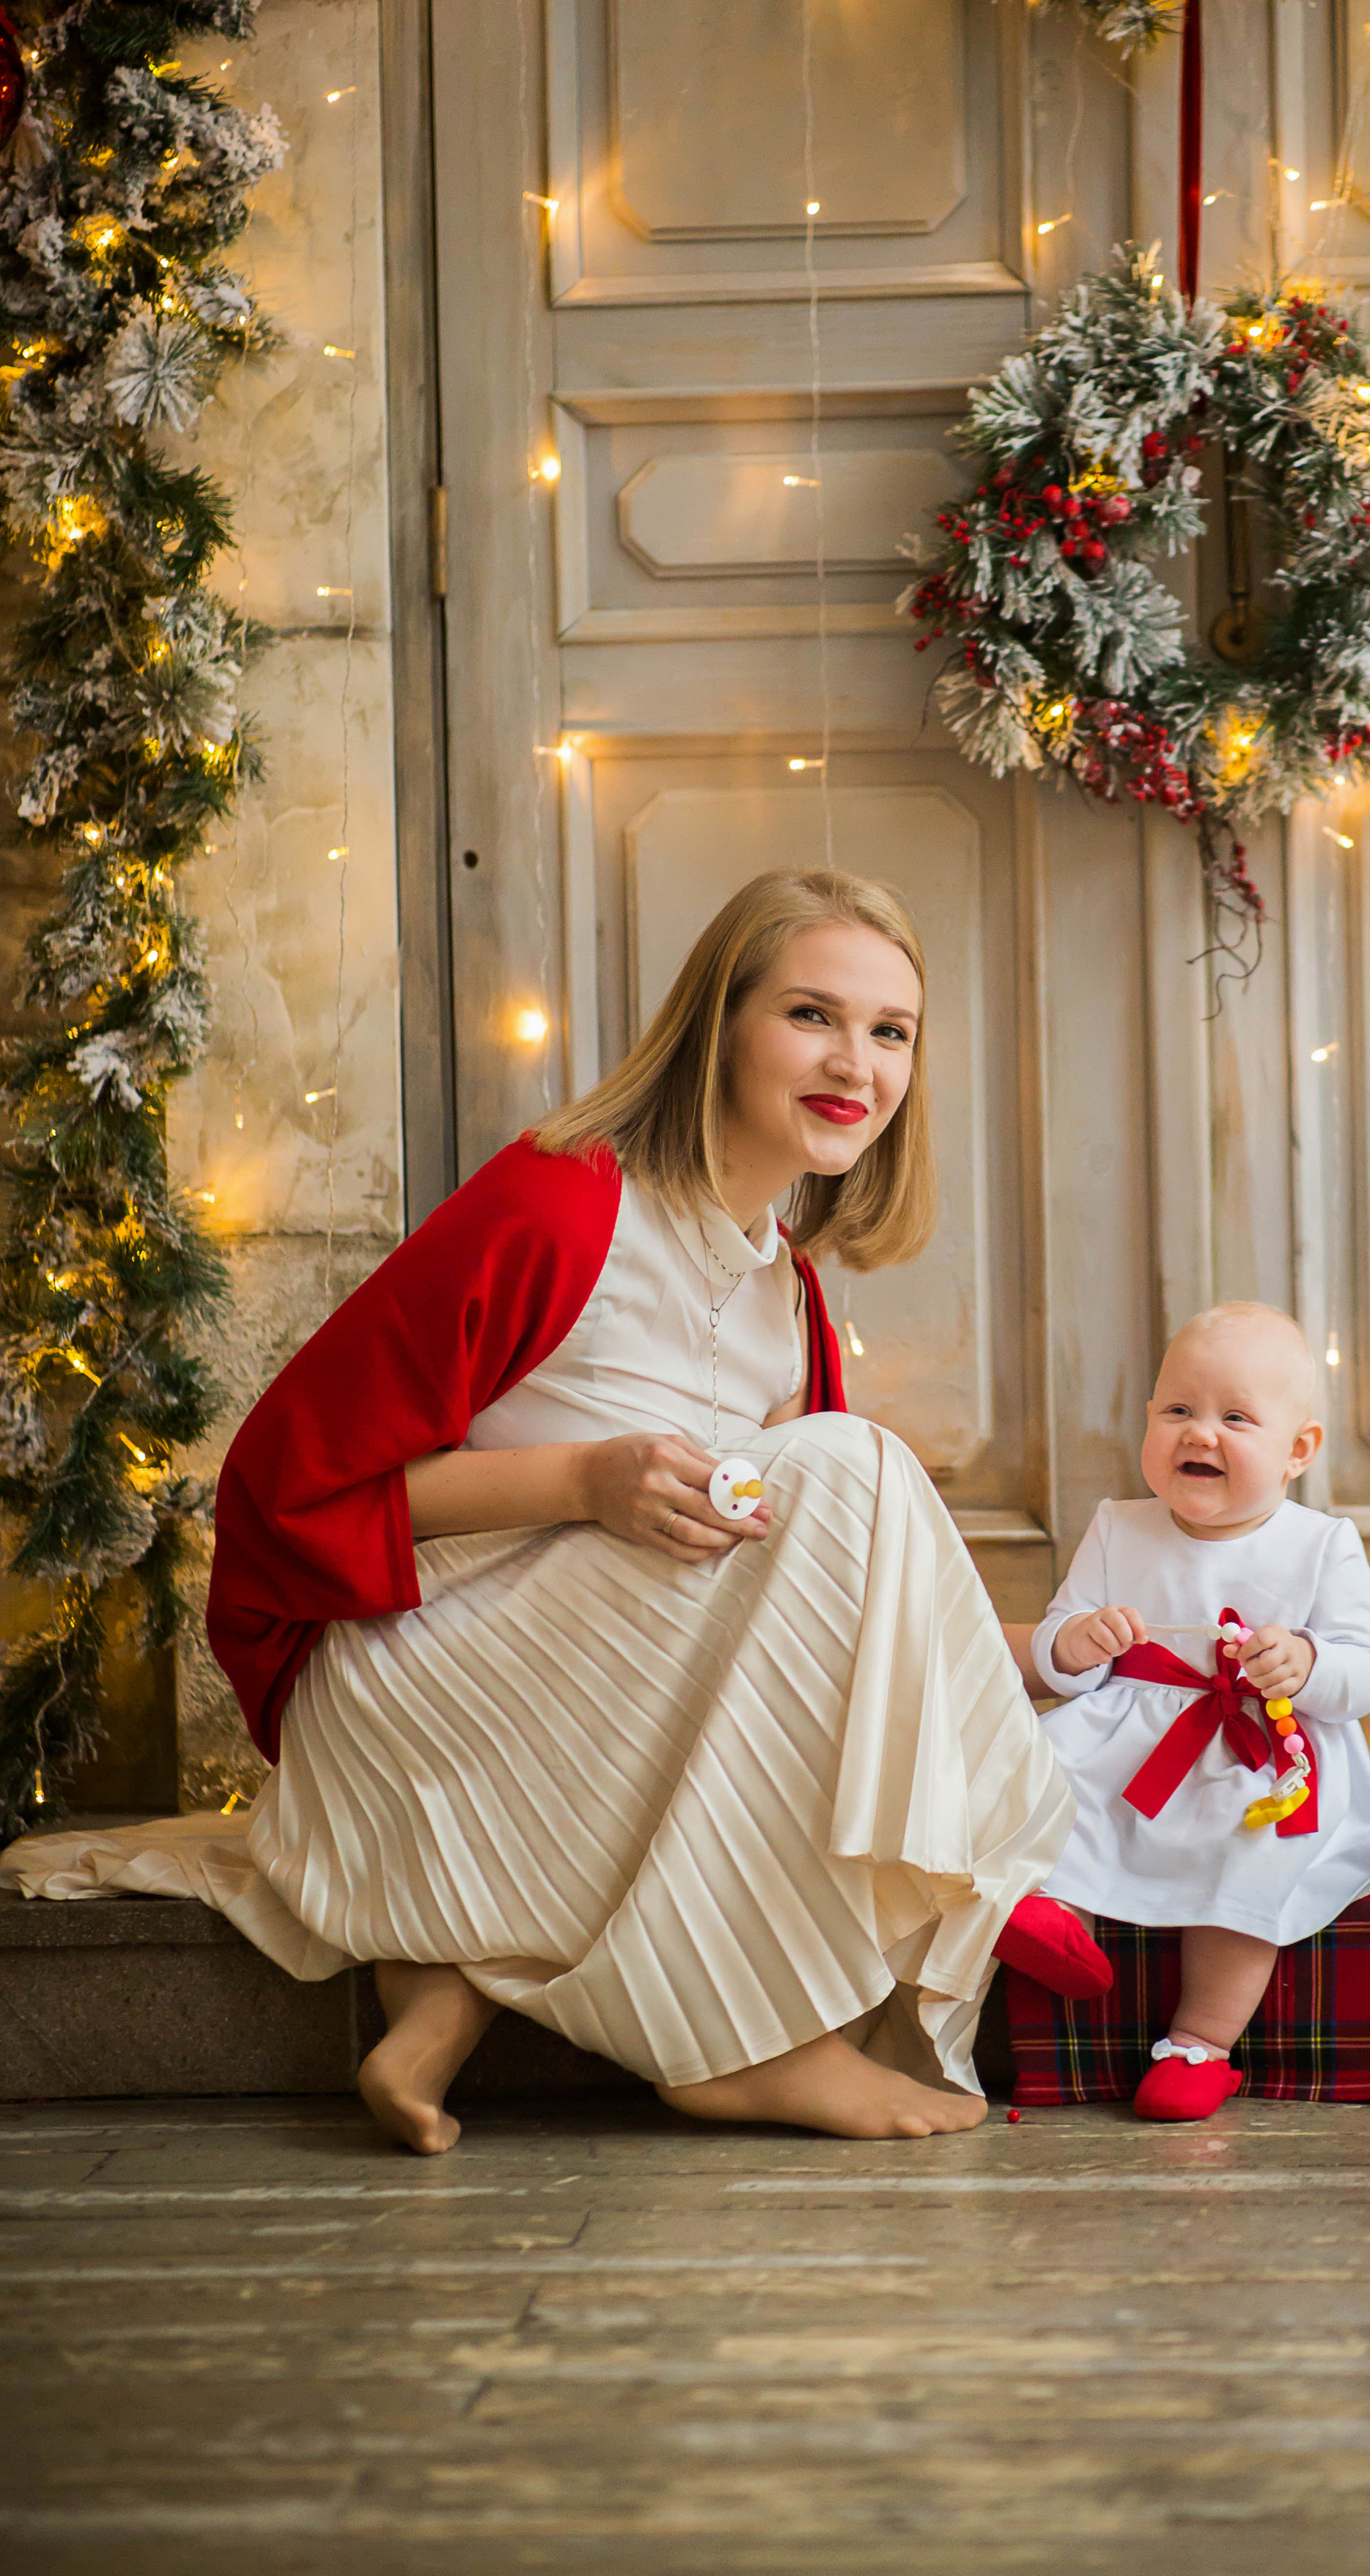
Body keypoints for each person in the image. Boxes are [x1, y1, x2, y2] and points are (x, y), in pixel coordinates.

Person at [7, 868, 1095, 2152]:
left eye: (891, 1031)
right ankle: (763, 2031)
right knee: (849, 1467)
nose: (855, 1061)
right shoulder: (562, 1201)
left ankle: (452, 1985)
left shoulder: (786, 1297)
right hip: (402, 1689)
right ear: (718, 1028)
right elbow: (282, 1493)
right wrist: (581, 1483)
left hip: (583, 1705)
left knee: (823, 1494)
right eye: (812, 1014)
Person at [1014, 1302, 1370, 2122]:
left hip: (1257, 1750)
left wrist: (1305, 1663)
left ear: (1298, 1450)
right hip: (1132, 1726)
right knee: (1041, 1775)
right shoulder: (1119, 1526)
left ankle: (1199, 2043)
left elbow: (1366, 1673)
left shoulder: (1320, 1543)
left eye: (1235, 1417)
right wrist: (1079, 1641)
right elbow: (1058, 1639)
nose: (1199, 1434)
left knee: (1253, 1854)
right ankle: (1053, 1919)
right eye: (1177, 1411)